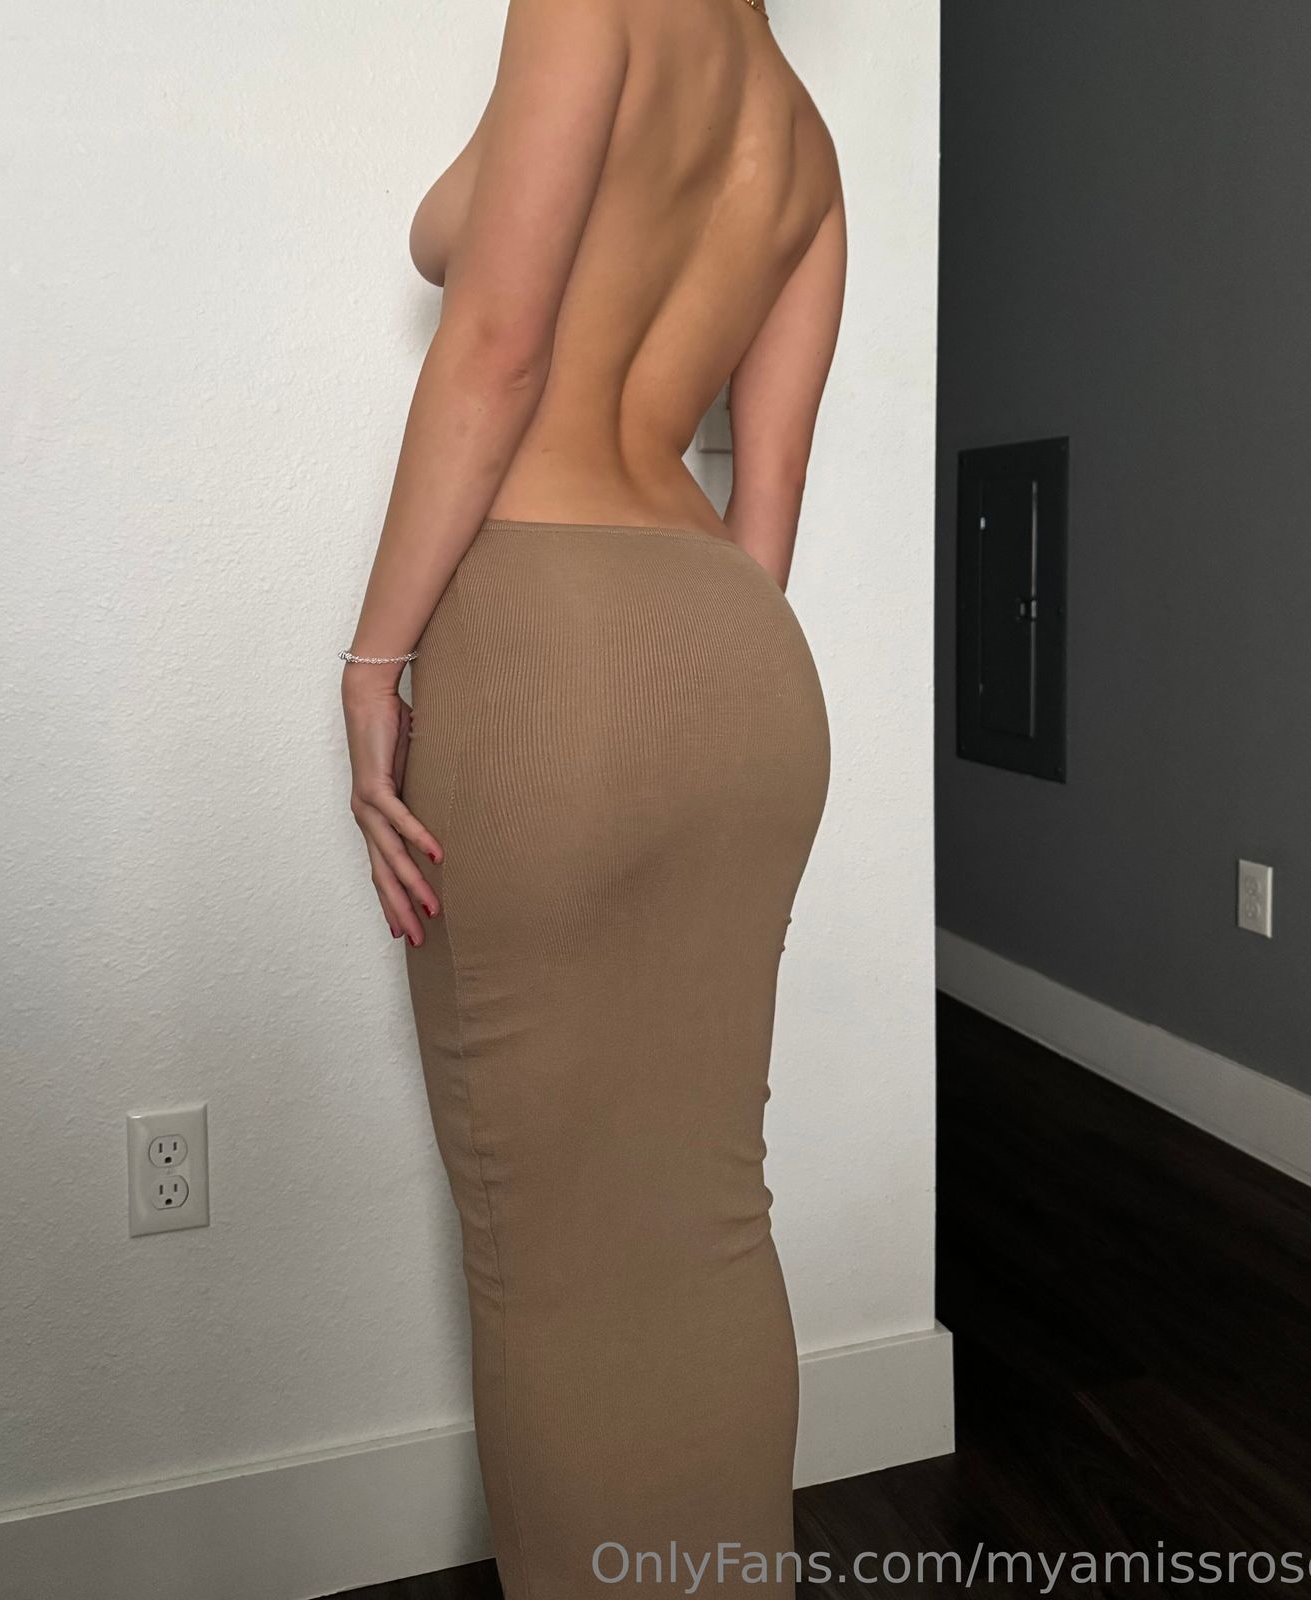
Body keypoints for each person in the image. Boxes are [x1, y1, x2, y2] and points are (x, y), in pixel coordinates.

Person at [340, 0, 844, 1591]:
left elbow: (493, 348)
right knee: (707, 1211)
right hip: (737, 654)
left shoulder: (583, 7)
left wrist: (373, 663)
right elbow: (768, 488)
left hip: (550, 637)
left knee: (544, 1258)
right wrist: (692, 692)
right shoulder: (804, 139)